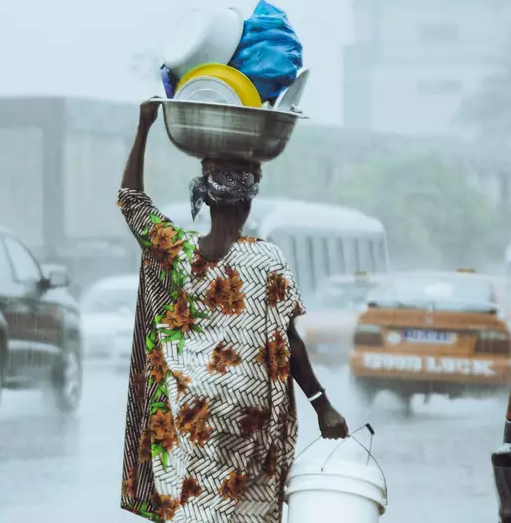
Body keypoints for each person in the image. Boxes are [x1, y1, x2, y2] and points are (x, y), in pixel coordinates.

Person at [118, 100, 348, 523]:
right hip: (248, 414)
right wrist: (322, 405)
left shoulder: (176, 251)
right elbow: (288, 343)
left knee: (195, 508)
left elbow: (131, 200)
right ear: (247, 204)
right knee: (243, 511)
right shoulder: (267, 259)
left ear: (206, 201)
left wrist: (144, 125)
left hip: (191, 409)